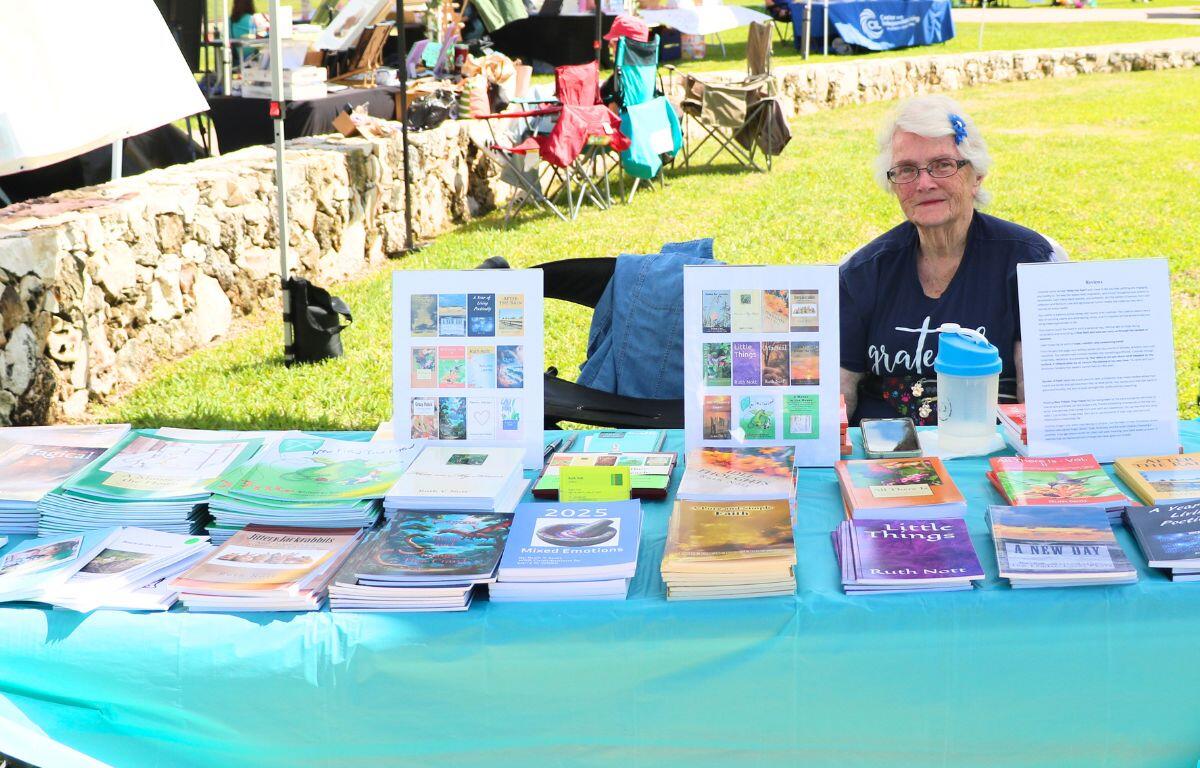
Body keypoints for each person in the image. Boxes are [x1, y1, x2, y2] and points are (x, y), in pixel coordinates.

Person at [839, 94, 1060, 426]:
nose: (924, 183)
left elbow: (1043, 404)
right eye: (907, 170)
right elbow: (839, 396)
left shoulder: (1029, 263)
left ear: (977, 176)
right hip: (885, 457)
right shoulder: (862, 273)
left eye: (942, 165)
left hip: (990, 452)